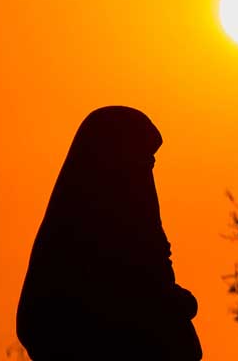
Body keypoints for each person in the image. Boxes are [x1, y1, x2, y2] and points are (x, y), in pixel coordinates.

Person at [16, 106, 202, 360]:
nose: (147, 176)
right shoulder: (77, 243)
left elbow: (154, 272)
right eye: (144, 162)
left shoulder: (129, 226)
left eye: (151, 164)